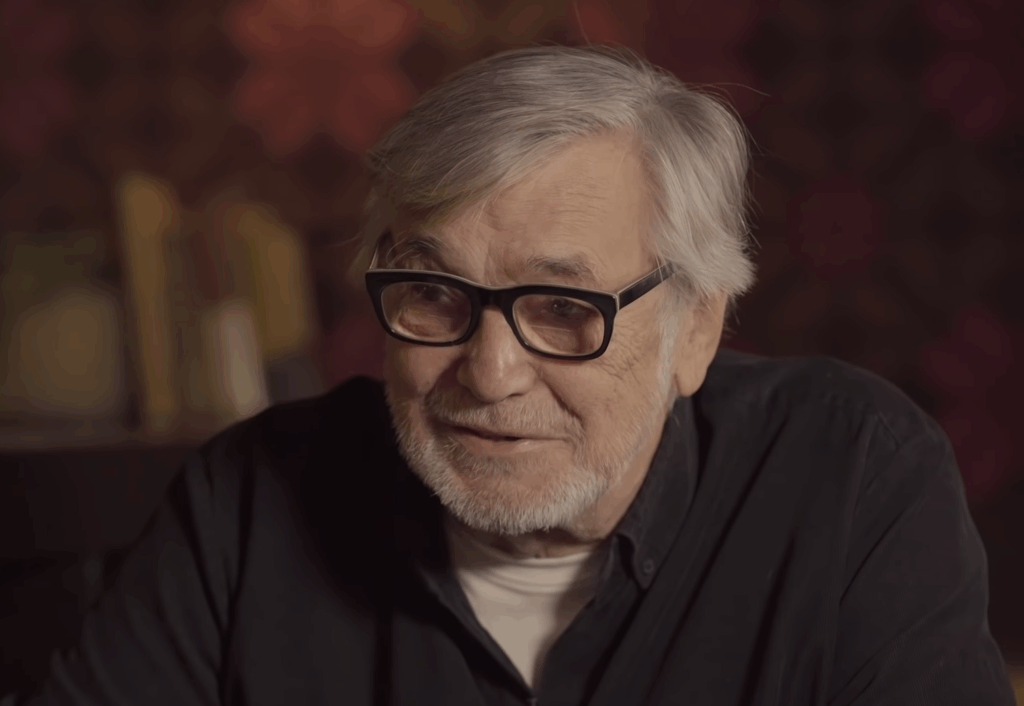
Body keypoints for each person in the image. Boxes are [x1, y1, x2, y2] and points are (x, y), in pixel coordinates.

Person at [3, 44, 1014, 706]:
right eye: (434, 293)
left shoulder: (854, 477)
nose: (488, 373)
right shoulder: (248, 498)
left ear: (695, 329)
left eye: (563, 309)